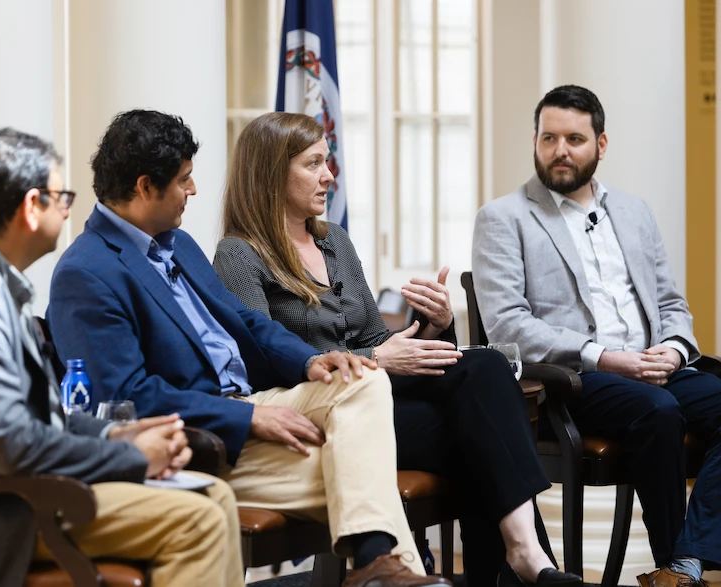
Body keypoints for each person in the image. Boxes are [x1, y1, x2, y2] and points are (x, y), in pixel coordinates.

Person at [48, 110, 450, 587]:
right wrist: (248, 418)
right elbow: (124, 397)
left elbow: (246, 323)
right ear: (143, 187)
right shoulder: (86, 272)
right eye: (184, 180)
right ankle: (382, 568)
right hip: (206, 438)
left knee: (360, 378)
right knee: (363, 464)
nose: (193, 191)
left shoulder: (178, 245)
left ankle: (375, 570)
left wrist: (309, 359)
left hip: (257, 401)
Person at [212, 111, 581, 587]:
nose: (329, 175)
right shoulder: (239, 253)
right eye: (313, 164)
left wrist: (432, 325)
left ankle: (524, 555)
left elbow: (371, 339)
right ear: (269, 172)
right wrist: (375, 360)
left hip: (376, 393)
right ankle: (523, 565)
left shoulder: (334, 242)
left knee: (486, 366)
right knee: (476, 430)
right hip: (325, 414)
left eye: (328, 161)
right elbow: (261, 364)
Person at [0, 128, 243, 587]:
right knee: (198, 519)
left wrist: (115, 430)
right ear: (32, 207)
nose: (70, 206)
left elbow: (38, 417)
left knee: (215, 496)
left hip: (19, 494)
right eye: (60, 195)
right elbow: (12, 444)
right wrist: (130, 454)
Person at [472, 84, 721, 587]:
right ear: (535, 141)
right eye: (548, 138)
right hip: (575, 380)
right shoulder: (504, 218)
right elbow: (508, 324)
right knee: (659, 412)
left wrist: (672, 352)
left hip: (657, 368)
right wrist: (607, 357)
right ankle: (678, 563)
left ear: (600, 145)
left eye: (574, 138)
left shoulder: (634, 212)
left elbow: (671, 303)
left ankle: (685, 564)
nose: (560, 150)